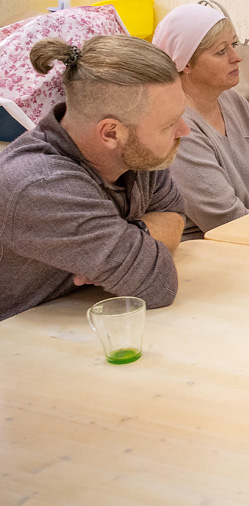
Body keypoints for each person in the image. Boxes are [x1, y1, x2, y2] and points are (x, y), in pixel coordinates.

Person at [0, 36, 191, 320]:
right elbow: (157, 284)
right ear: (111, 133)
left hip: (73, 320)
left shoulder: (137, 154)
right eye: (168, 125)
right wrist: (135, 252)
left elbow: (174, 217)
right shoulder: (40, 184)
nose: (184, 131)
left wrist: (130, 237)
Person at [153, 3, 249, 239]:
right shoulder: (177, 125)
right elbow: (225, 220)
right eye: (221, 51)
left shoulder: (233, 101)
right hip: (207, 253)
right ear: (186, 63)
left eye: (233, 44)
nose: (237, 58)